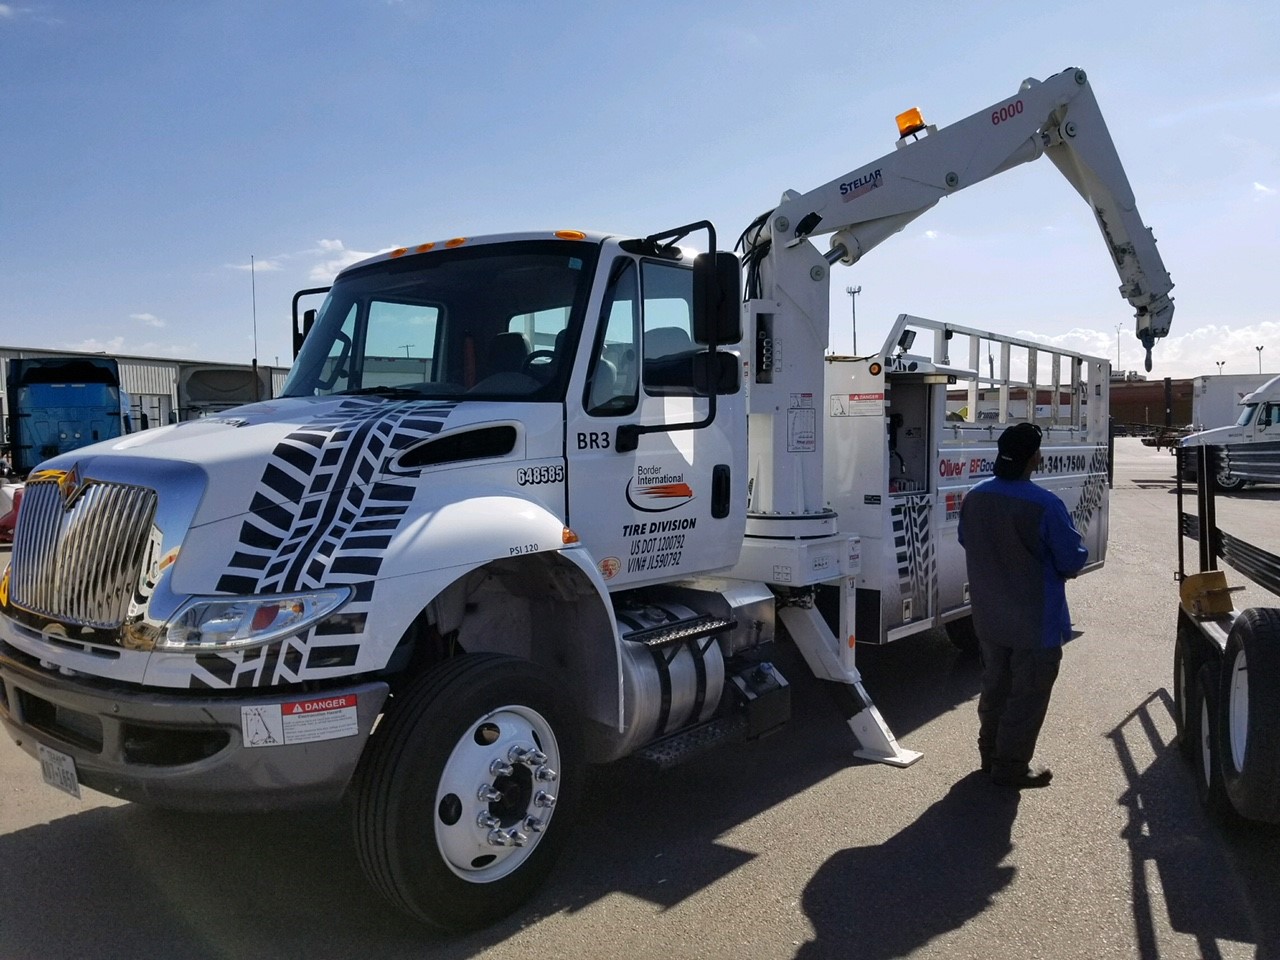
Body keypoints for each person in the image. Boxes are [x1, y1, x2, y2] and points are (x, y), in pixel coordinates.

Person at [958, 422, 1088, 788]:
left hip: (988, 616)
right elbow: (1071, 559)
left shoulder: (975, 496)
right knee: (1027, 694)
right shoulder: (1045, 504)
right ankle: (1011, 765)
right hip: (1035, 620)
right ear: (1035, 458)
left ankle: (989, 755)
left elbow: (966, 539)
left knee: (995, 685)